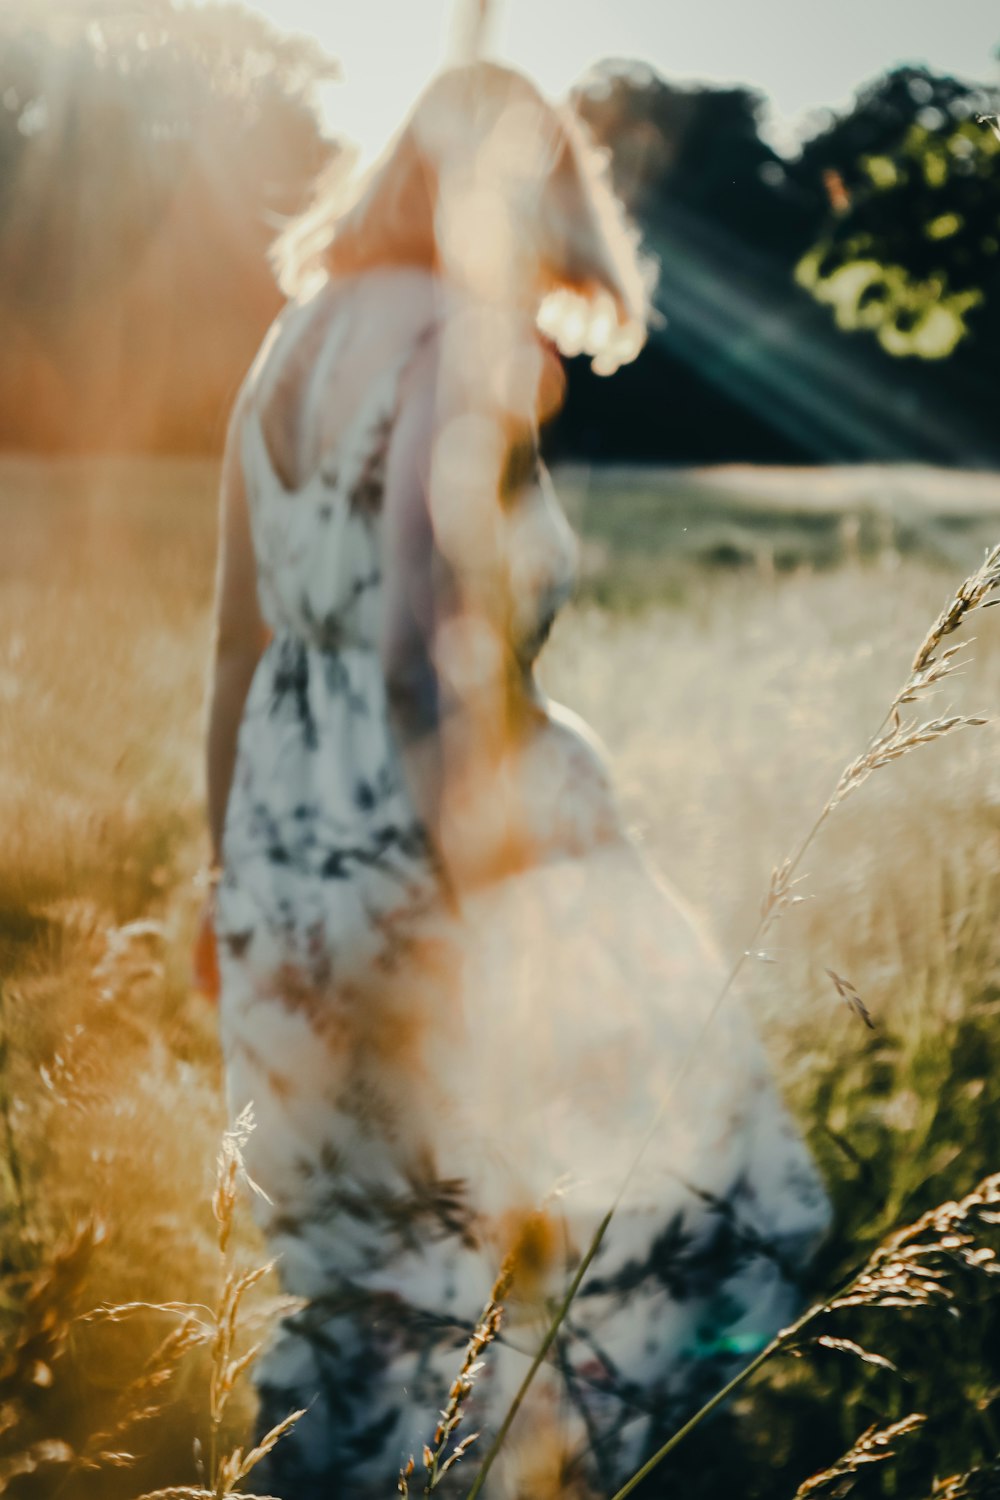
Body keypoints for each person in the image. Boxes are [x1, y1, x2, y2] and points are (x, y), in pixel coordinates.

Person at [200, 60, 830, 1500]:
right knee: (642, 1203)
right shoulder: (459, 339)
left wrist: (226, 879)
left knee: (353, 1268)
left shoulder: (283, 350)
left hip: (287, 848)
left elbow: (235, 650)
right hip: (457, 850)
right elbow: (431, 652)